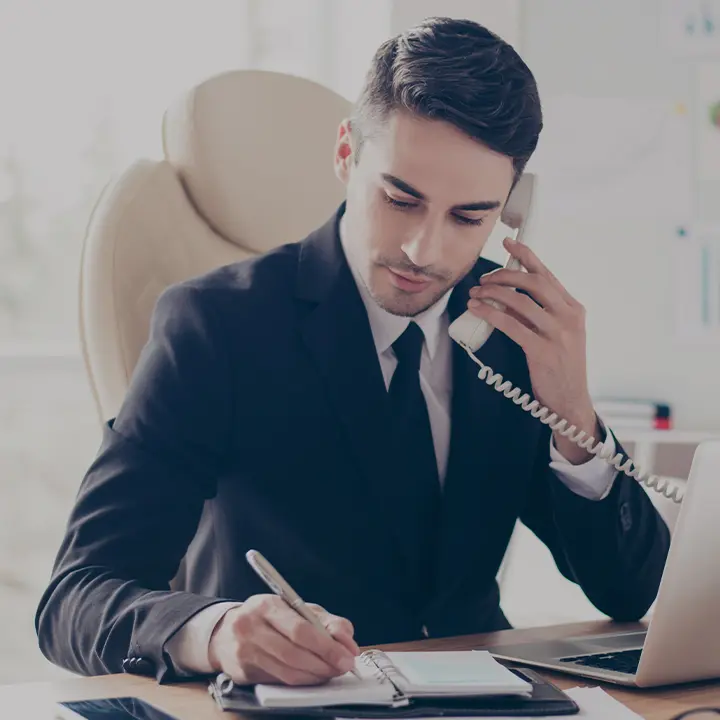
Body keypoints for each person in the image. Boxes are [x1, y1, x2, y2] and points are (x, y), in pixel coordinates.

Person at [36, 16, 670, 687]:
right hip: (297, 701)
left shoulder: (510, 332)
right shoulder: (215, 326)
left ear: (511, 209)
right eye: (401, 198)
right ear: (346, 154)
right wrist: (216, 633)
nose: (425, 251)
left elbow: (628, 592)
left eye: (469, 217)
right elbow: (73, 598)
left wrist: (573, 414)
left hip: (480, 698)